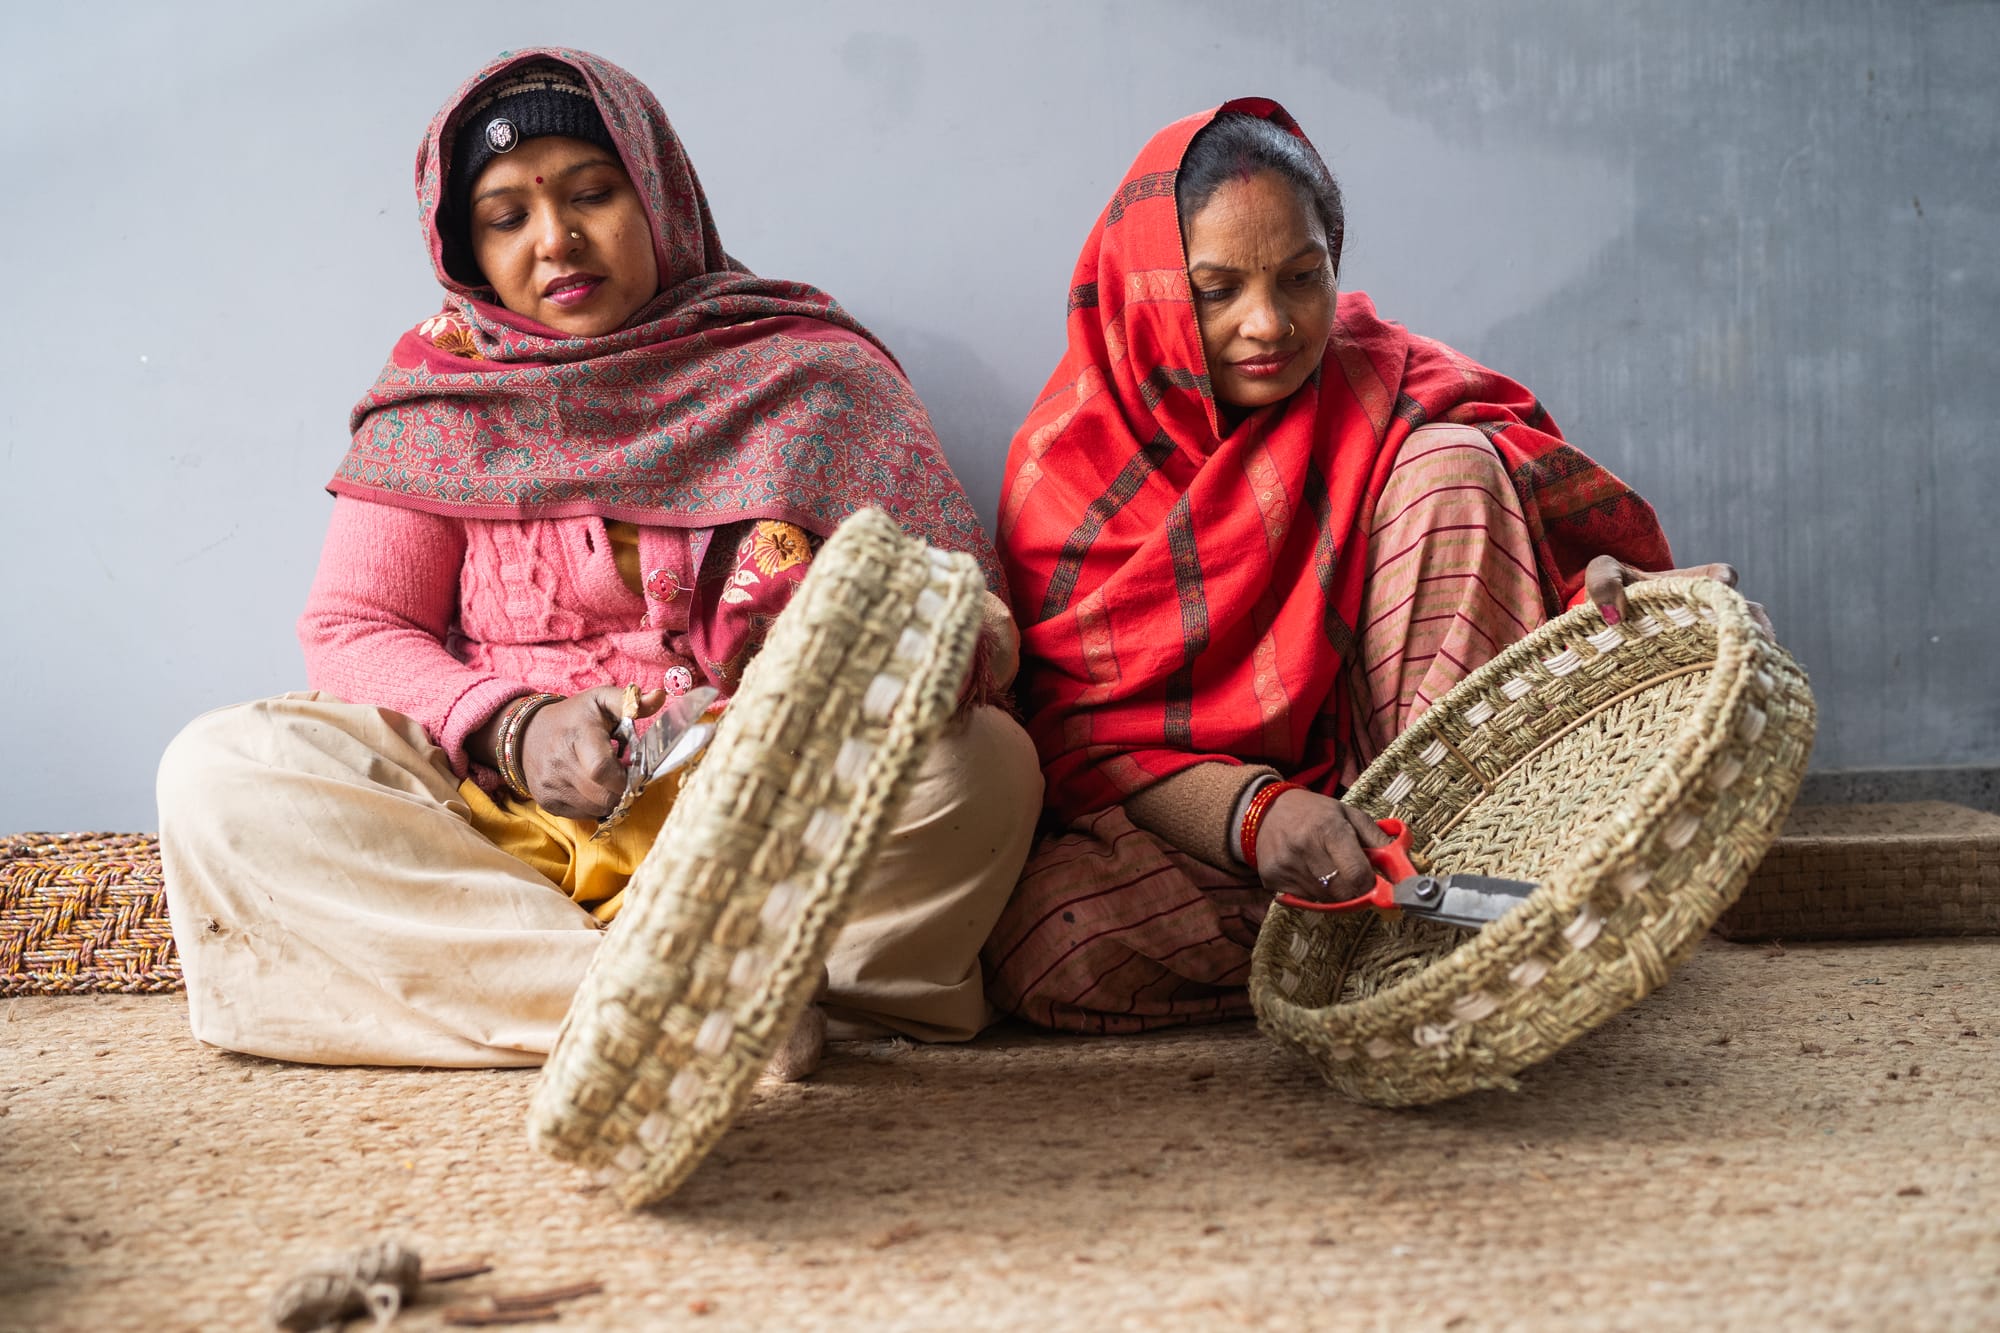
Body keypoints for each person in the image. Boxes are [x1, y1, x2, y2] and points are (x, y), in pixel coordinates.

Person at [157, 48, 1042, 1070]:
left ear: (658, 195)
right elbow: (354, 629)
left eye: (591, 194)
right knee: (221, 775)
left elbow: (969, 618)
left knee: (979, 765)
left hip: (763, 841)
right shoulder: (444, 399)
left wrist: (841, 675)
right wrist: (510, 727)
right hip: (504, 835)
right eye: (507, 218)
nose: (556, 240)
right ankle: (680, 1004)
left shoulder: (807, 377)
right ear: (466, 248)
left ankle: (652, 987)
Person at [983, 99, 1760, 1033]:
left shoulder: (1374, 376)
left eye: (1301, 278)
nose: (1268, 323)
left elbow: (1530, 544)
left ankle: (1452, 875)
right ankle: (1412, 921)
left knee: (1454, 465)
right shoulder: (1064, 469)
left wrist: (1591, 596)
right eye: (1217, 289)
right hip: (1217, 823)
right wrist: (1261, 818)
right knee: (1043, 943)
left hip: (1414, 762)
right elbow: (1076, 744)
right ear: (1145, 291)